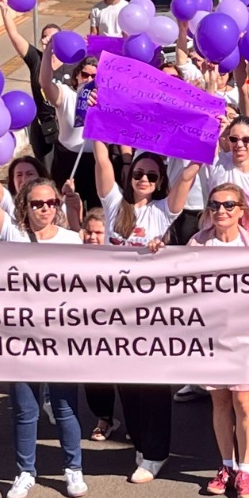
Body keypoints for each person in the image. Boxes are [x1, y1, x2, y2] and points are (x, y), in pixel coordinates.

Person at [0, 169, 87, 498]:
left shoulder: (72, 240)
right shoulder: (11, 233)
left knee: (65, 407)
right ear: (24, 207)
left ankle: (73, 468)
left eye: (50, 203)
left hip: (61, 340)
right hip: (20, 340)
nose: (45, 208)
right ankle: (25, 472)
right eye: (37, 203)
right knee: (25, 411)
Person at [85, 141, 187, 473]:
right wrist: (97, 123)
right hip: (115, 311)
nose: (144, 180)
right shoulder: (115, 205)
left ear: (160, 183)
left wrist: (205, 140)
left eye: (152, 177)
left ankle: (156, 453)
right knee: (127, 382)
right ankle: (141, 444)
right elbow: (102, 160)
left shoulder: (162, 210)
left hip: (152, 312)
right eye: (139, 174)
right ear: (130, 176)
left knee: (154, 384)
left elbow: (188, 176)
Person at [188, 183, 249, 498]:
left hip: (247, 337)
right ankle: (226, 465)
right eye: (214, 205)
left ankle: (246, 470)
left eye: (228, 205)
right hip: (211, 335)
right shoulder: (197, 242)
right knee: (221, 401)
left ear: (241, 210)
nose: (221, 211)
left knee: (245, 402)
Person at [0, 0, 64, 164]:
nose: (49, 40)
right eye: (45, 37)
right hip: (43, 126)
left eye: (53, 36)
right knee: (46, 169)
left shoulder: (73, 63)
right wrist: (4, 9)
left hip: (65, 124)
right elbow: (15, 36)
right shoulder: (36, 59)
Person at [41, 49, 100, 209]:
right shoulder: (66, 94)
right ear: (76, 76)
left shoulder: (104, 100)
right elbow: (45, 84)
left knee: (96, 212)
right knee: (66, 210)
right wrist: (47, 53)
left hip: (96, 162)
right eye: (85, 75)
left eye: (94, 76)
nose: (89, 79)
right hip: (67, 160)